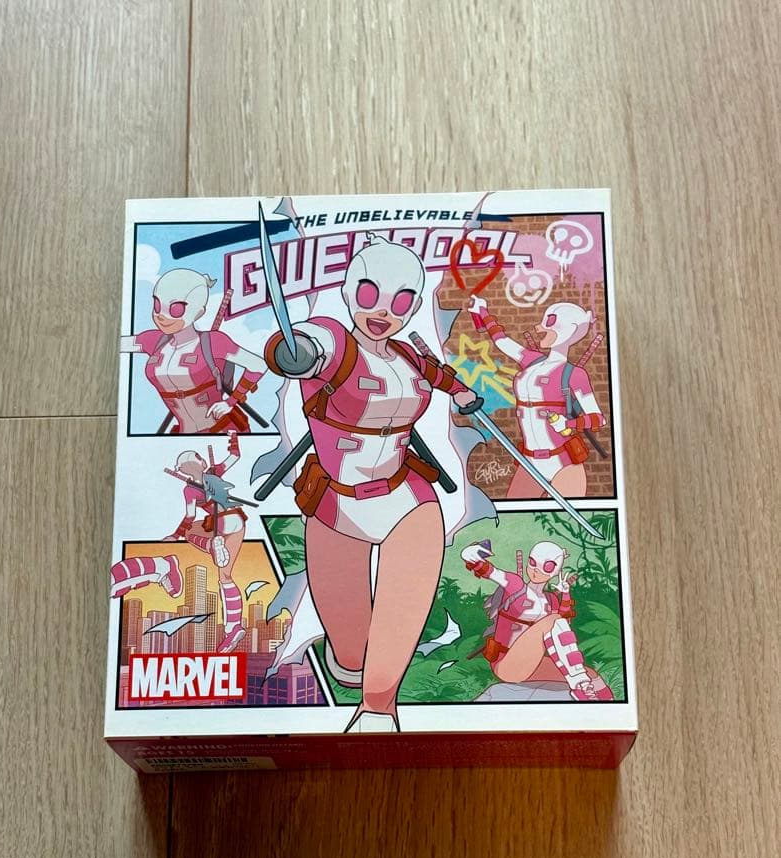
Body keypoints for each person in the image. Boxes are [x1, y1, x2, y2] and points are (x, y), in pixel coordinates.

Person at [263, 234, 478, 731]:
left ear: (412, 307)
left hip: (405, 495)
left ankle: (378, 709)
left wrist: (462, 392)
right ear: (348, 292)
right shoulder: (336, 344)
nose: (382, 310)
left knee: (403, 604)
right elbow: (303, 346)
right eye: (369, 293)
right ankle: (353, 668)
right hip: (336, 504)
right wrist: (293, 352)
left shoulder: (407, 355)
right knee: (350, 654)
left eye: (401, 301)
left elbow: (437, 374)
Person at [468, 295, 606, 497]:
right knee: (515, 515)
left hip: (564, 463)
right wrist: (484, 313)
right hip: (529, 462)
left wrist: (569, 424)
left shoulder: (574, 374)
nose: (539, 328)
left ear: (568, 330)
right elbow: (503, 342)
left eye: (549, 323)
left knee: (563, 517)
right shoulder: (532, 361)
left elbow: (598, 418)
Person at [462, 538, 613, 701]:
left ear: (555, 570)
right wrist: (470, 556)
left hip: (531, 663)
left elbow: (563, 632)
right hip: (507, 663)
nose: (536, 569)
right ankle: (578, 684)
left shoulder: (551, 599)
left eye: (546, 566)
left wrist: (565, 593)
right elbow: (490, 571)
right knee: (553, 620)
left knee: (591, 675)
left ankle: (607, 703)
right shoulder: (516, 585)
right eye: (533, 562)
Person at [121, 268, 263, 434]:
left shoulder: (212, 342)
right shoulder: (154, 341)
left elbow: (258, 365)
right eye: (157, 305)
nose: (161, 315)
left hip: (222, 431)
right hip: (183, 435)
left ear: (198, 312)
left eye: (175, 309)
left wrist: (231, 401)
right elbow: (119, 344)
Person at [163, 433, 247, 652]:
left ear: (183, 471)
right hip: (237, 521)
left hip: (219, 523)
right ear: (200, 462)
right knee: (225, 576)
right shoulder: (214, 472)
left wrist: (176, 535)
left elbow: (190, 517)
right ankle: (233, 628)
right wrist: (233, 436)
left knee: (191, 529)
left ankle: (211, 546)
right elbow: (235, 455)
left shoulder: (190, 490)